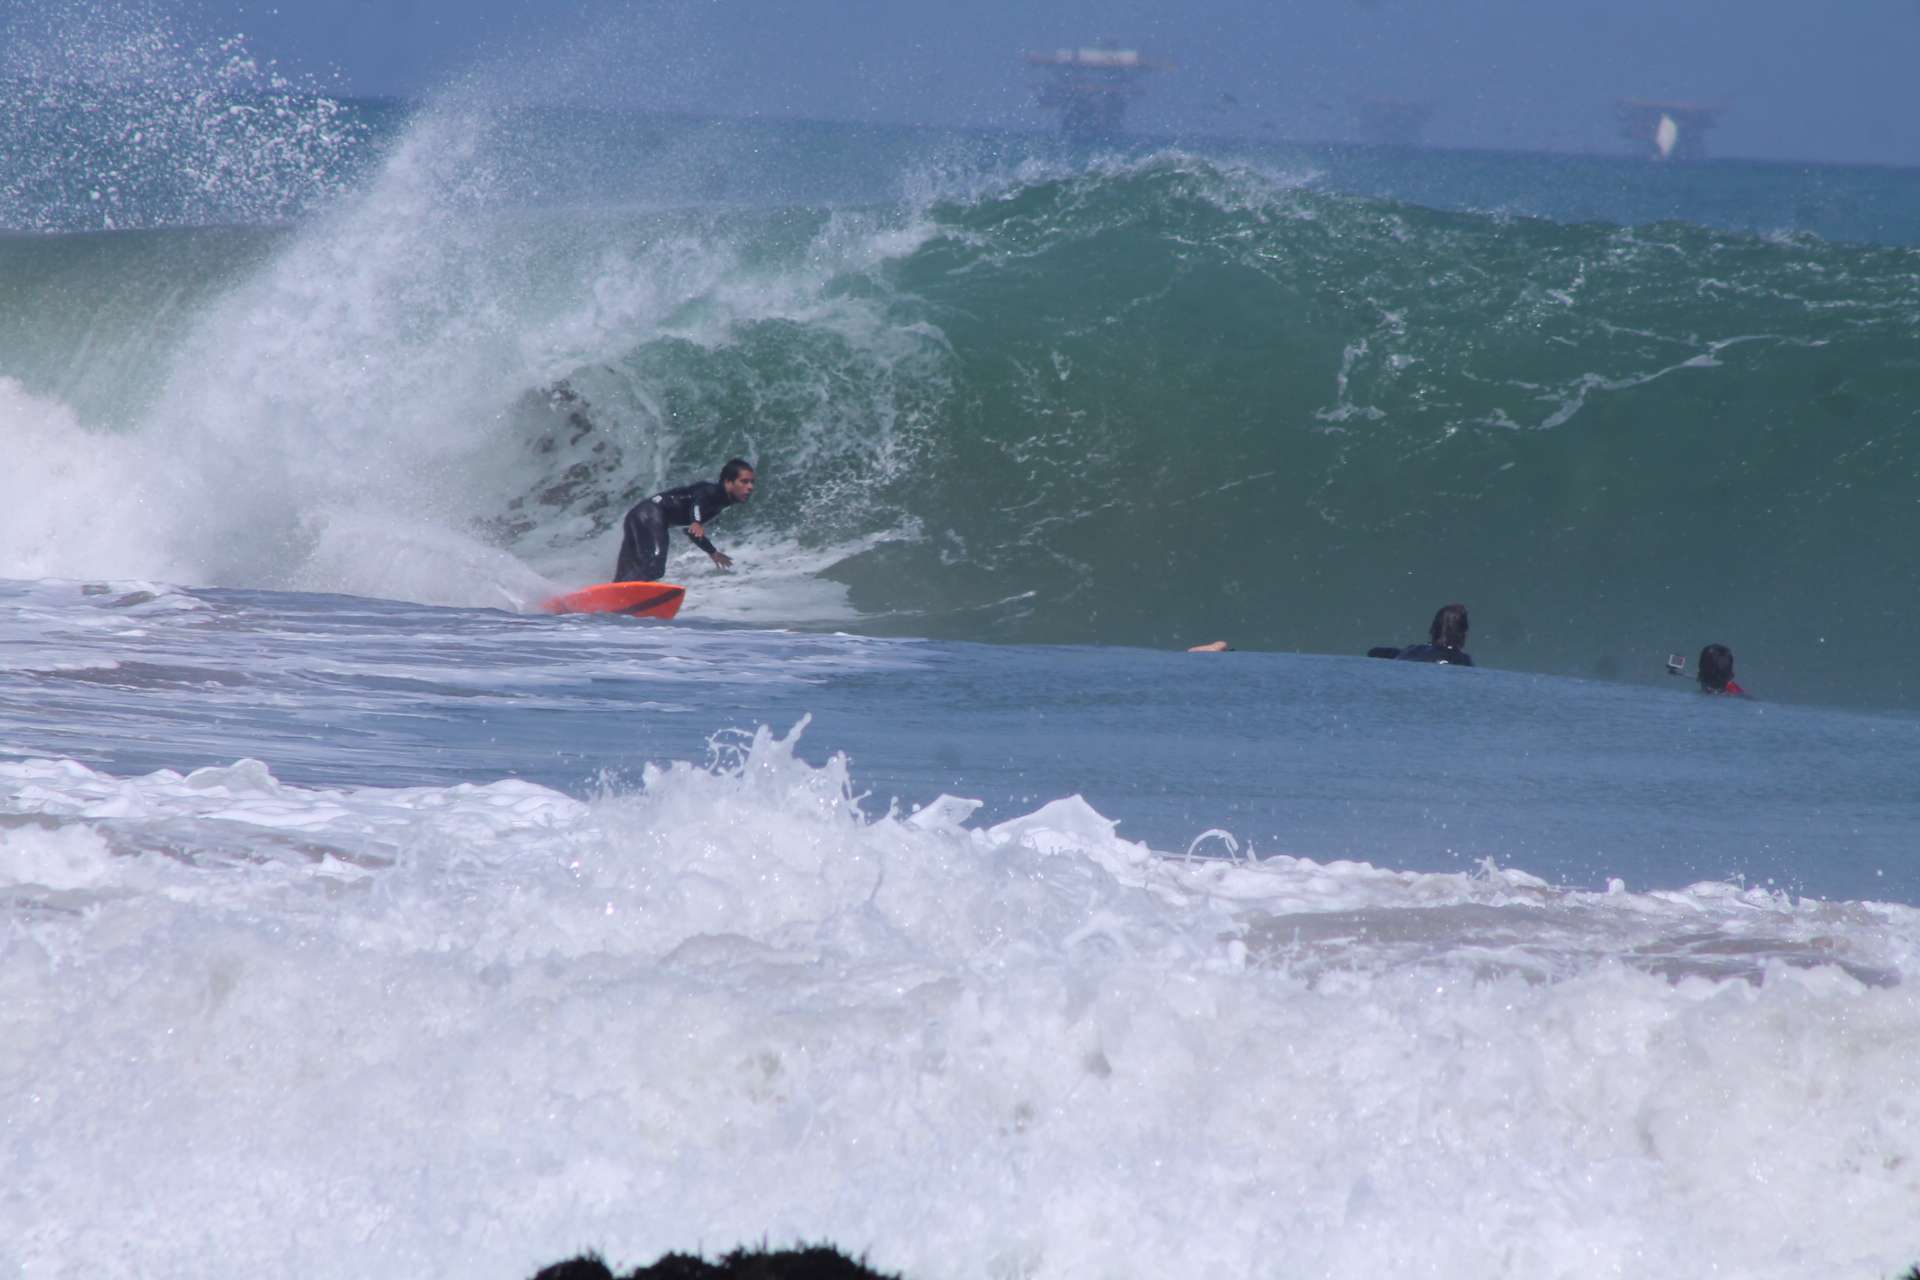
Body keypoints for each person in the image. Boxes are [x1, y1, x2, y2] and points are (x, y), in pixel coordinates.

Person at [615, 458, 755, 582]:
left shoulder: (718, 504)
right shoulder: (710, 491)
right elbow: (698, 501)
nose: (750, 487)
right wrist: (696, 522)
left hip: (639, 515)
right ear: (728, 482)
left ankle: (616, 593)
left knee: (627, 571)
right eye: (744, 481)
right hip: (649, 513)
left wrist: (712, 552)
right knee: (655, 567)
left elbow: (692, 532)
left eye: (752, 482)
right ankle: (632, 590)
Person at [1367, 603, 1474, 666]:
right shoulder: (1463, 660)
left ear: (1432, 630)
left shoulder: (1413, 650)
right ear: (1463, 634)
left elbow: (1373, 652)